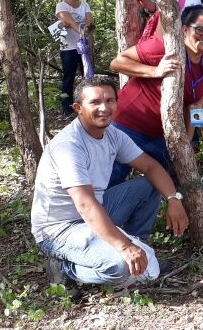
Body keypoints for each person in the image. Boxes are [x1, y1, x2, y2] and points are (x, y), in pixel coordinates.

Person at [32, 77, 188, 299]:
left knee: (149, 184)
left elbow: (150, 166)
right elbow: (85, 205)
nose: (104, 108)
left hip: (98, 210)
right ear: (78, 108)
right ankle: (63, 268)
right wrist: (124, 248)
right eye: (95, 102)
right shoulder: (69, 146)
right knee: (119, 266)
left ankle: (140, 248)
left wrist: (174, 199)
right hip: (60, 229)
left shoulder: (113, 135)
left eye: (110, 100)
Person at [108, 6, 203, 186]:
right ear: (185, 29)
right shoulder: (164, 47)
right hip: (128, 126)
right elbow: (117, 62)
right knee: (111, 178)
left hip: (162, 135)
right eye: (200, 30)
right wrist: (155, 71)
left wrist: (190, 139)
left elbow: (196, 105)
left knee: (161, 181)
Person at [55, 0, 94, 116]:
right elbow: (69, 21)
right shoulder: (62, 6)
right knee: (68, 77)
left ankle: (89, 104)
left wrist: (87, 27)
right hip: (68, 47)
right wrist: (81, 29)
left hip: (84, 46)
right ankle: (67, 108)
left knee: (88, 75)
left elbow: (89, 19)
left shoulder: (84, 5)